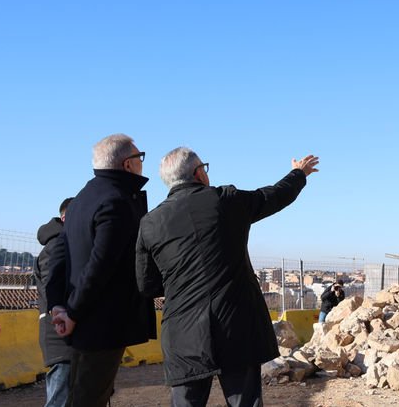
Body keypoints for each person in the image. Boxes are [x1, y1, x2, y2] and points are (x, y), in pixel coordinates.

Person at [136, 147, 319, 407]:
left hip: (183, 334)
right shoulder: (226, 200)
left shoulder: (150, 223)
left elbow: (146, 284)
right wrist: (298, 173)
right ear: (199, 173)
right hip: (236, 327)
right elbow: (275, 195)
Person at [45, 133, 157, 407]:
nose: (143, 163)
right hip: (103, 322)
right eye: (139, 157)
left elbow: (61, 257)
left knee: (83, 394)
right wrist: (72, 311)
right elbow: (101, 264)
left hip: (82, 320)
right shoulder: (117, 201)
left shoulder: (84, 197)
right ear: (128, 164)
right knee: (89, 397)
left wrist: (57, 304)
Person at [35, 197, 74, 407]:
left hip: (65, 334)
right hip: (60, 336)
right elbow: (54, 291)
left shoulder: (63, 243)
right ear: (66, 217)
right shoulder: (57, 246)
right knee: (60, 399)